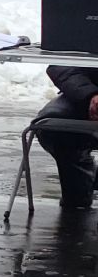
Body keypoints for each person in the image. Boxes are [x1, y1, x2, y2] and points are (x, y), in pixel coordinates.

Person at [37, 63, 97, 210]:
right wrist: (90, 94)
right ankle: (81, 185)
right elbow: (60, 66)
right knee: (52, 126)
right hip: (86, 93)